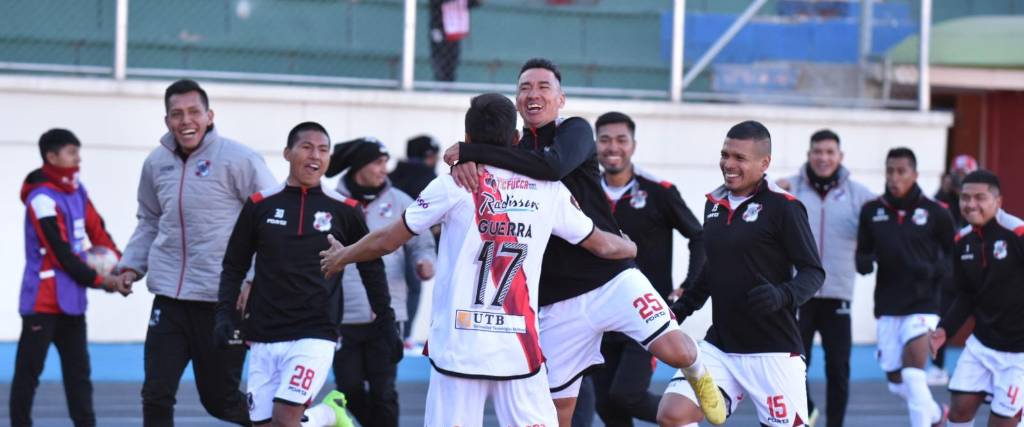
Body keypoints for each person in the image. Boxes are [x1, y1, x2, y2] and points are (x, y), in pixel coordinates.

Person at [320, 93, 638, 426]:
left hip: (460, 348)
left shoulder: (452, 184)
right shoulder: (549, 190)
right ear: (516, 139)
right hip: (519, 349)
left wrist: (344, 255)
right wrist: (631, 248)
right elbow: (601, 245)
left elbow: (387, 240)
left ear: (468, 139)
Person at [443, 58, 725, 426]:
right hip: (556, 298)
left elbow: (551, 167)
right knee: (556, 407)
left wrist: (471, 152)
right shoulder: (509, 149)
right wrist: (464, 160)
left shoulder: (574, 130)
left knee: (675, 350)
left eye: (544, 87)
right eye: (525, 87)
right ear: (516, 102)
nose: (534, 93)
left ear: (561, 99)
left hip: (610, 276)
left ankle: (700, 373)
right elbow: (483, 168)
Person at [116, 79, 277, 426]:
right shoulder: (156, 163)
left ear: (209, 116)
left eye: (193, 112)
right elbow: (149, 220)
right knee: (156, 394)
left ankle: (297, 421)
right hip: (169, 301)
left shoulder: (240, 159)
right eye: (176, 114)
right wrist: (130, 266)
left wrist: (253, 280)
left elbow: (272, 221)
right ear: (167, 121)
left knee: (220, 402)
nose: (185, 120)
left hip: (222, 302)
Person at [215, 121, 388, 427]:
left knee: (285, 421)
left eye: (323, 150)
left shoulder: (345, 209)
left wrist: (386, 320)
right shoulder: (259, 205)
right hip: (263, 334)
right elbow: (234, 264)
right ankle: (325, 415)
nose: (315, 156)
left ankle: (321, 414)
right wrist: (224, 314)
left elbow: (371, 265)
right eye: (306, 147)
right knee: (265, 425)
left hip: (316, 332)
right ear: (287, 153)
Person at [658, 120, 825, 427]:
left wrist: (782, 294)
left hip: (773, 352)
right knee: (672, 415)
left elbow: (813, 272)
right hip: (720, 346)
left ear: (765, 163)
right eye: (725, 155)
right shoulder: (714, 205)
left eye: (739, 158)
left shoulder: (784, 207)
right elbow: (714, 267)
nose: (728, 164)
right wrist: (682, 308)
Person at [592, 111, 706, 427]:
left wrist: (688, 285)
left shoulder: (659, 191)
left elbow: (699, 236)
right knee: (606, 403)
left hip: (645, 313)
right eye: (604, 140)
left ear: (633, 145)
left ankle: (684, 419)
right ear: (595, 145)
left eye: (620, 140)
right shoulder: (585, 191)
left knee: (627, 395)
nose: (613, 147)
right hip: (598, 314)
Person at [11, 129, 128, 427]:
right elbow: (61, 254)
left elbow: (97, 231)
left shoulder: (77, 189)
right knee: (29, 375)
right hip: (42, 302)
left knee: (79, 377)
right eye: (72, 152)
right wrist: (103, 282)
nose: (79, 158)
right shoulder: (40, 199)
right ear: (52, 157)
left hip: (73, 301)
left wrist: (118, 266)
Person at [323, 137, 436, 427]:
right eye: (377, 162)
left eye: (385, 162)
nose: (384, 169)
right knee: (348, 389)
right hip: (343, 316)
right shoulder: (333, 203)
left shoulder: (401, 201)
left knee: (384, 391)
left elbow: (421, 243)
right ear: (360, 165)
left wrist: (425, 263)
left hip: (388, 315)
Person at [777, 129, 875, 427]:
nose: (823, 157)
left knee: (838, 368)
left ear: (840, 156)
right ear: (809, 155)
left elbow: (884, 226)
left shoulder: (860, 195)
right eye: (818, 152)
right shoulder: (787, 189)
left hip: (838, 294)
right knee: (792, 364)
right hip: (799, 294)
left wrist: (869, 253)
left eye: (830, 152)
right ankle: (806, 411)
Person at [856, 147, 954, 427]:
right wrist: (864, 263)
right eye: (890, 171)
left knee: (913, 374)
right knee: (897, 381)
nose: (894, 177)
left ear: (915, 174)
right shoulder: (871, 211)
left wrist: (932, 270)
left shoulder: (936, 212)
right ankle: (936, 414)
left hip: (924, 304)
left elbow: (953, 258)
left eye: (901, 171)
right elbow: (862, 253)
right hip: (888, 305)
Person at [929, 170, 1024, 427]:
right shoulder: (962, 240)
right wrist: (944, 330)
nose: (971, 204)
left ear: (998, 201)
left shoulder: (1017, 233)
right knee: (959, 411)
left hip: (1019, 353)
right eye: (965, 197)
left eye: (980, 198)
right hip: (982, 345)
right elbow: (965, 296)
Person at [929, 153, 979, 386]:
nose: (961, 181)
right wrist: (943, 192)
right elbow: (934, 222)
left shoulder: (979, 200)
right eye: (958, 176)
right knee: (944, 319)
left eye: (965, 176)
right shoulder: (943, 201)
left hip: (978, 271)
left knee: (986, 319)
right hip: (950, 273)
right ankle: (938, 367)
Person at [387, 134, 441, 344]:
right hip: (416, 242)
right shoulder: (430, 179)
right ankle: (405, 335)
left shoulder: (392, 177)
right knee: (413, 288)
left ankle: (394, 332)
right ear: (428, 156)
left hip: (389, 241)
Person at [429, 0, 481, 82]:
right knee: (441, 62)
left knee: (452, 62)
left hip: (454, 30)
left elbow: (470, 3)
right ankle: (440, 85)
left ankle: (449, 86)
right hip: (440, 29)